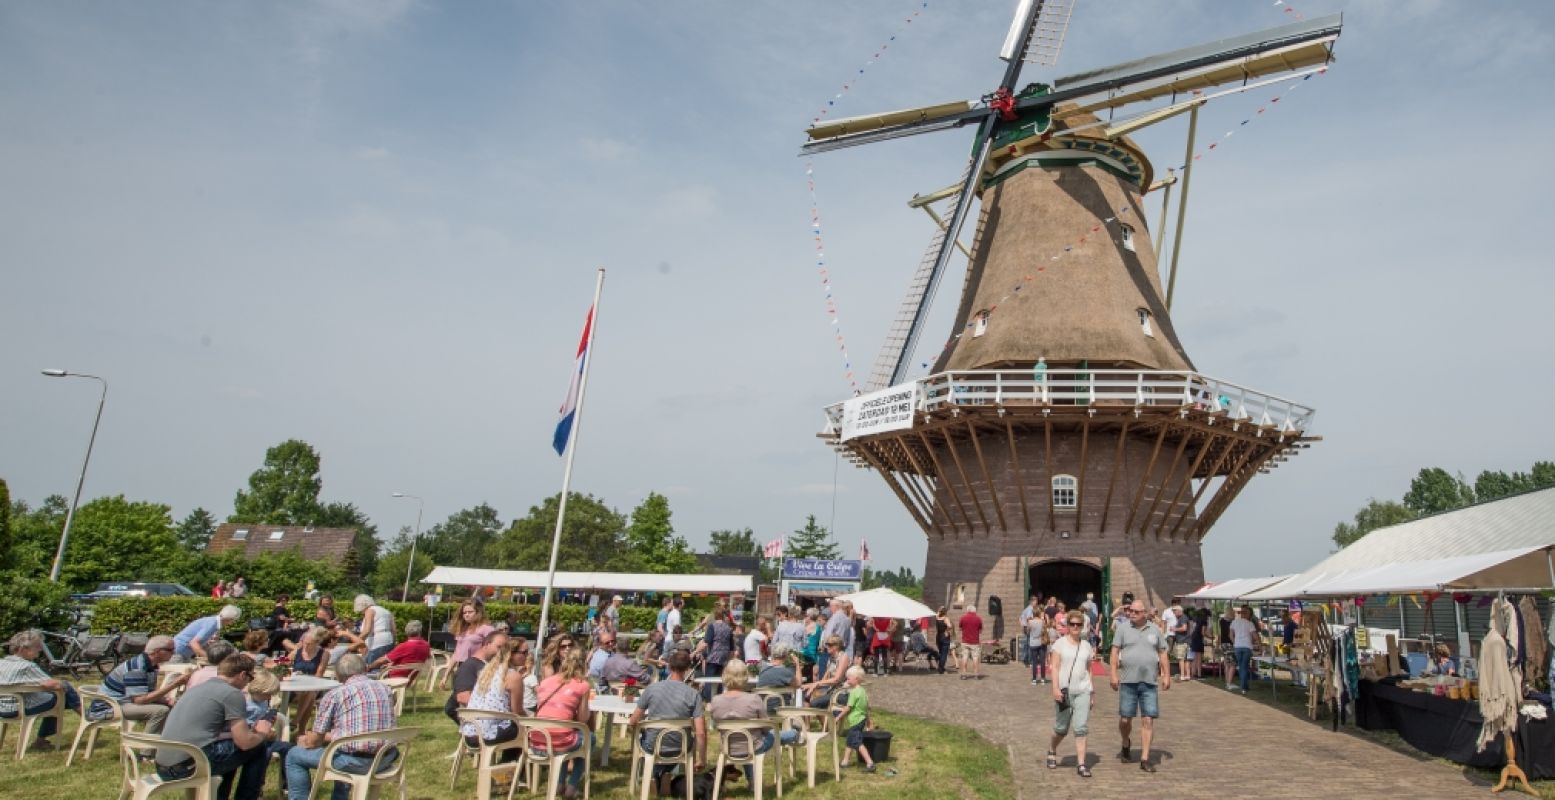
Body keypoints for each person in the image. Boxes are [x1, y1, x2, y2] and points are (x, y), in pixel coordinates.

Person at [284, 654, 400, 800]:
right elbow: (362, 730)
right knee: (340, 749)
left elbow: (315, 742)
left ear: (338, 675)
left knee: (294, 755)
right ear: (364, 669)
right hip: (387, 757)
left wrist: (304, 740)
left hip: (357, 762)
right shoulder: (385, 689)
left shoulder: (335, 695)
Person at [157, 654, 271, 800]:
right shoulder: (232, 694)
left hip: (164, 766)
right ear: (243, 674)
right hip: (188, 767)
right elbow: (244, 743)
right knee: (259, 747)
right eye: (251, 677)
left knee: (229, 751)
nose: (249, 683)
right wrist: (262, 733)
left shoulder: (196, 689)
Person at [627, 649, 706, 797]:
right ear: (687, 668)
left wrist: (640, 727)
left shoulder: (652, 689)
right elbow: (701, 732)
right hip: (680, 746)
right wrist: (702, 758)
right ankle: (665, 774)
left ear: (669, 666)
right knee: (684, 741)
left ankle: (656, 774)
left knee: (649, 737)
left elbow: (633, 721)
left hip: (652, 745)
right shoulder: (693, 694)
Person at [709, 661, 799, 783]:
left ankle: (753, 783)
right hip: (754, 746)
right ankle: (794, 734)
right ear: (745, 676)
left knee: (751, 737)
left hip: (728, 747)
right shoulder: (753, 699)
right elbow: (766, 728)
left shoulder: (715, 701)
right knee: (771, 735)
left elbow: (715, 725)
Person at [1110, 599, 1170, 773]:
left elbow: (1163, 652)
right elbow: (1114, 652)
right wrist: (1113, 674)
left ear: (1144, 613)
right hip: (1128, 681)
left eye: (1136, 612)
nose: (1132, 614)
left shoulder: (1155, 630)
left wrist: (1166, 675)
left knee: (1148, 719)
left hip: (1149, 681)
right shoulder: (1123, 629)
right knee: (1125, 719)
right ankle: (1125, 741)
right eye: (1130, 611)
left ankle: (1144, 758)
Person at [0, 631, 82, 752]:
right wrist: (62, 685)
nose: (40, 651)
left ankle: (42, 740)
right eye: (37, 647)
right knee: (64, 690)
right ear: (24, 648)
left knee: (59, 699)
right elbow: (51, 684)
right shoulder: (27, 666)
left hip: (2, 709)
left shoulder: (2, 663)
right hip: (21, 708)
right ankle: (86, 716)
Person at [529, 646, 593, 798]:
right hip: (559, 742)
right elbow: (583, 719)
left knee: (565, 736)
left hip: (536, 742)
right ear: (584, 664)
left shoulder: (546, 682)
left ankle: (559, 784)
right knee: (589, 739)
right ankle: (571, 786)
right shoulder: (582, 685)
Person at [459, 637, 529, 776]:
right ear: (512, 654)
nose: (527, 656)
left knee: (514, 727)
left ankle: (505, 771)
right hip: (489, 734)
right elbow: (517, 712)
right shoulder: (513, 676)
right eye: (524, 652)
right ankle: (508, 773)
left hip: (470, 731)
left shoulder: (486, 671)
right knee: (523, 730)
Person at [96, 633, 185, 733]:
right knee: (160, 711)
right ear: (157, 652)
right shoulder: (137, 667)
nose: (174, 652)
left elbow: (147, 694)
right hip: (108, 707)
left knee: (171, 706)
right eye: (170, 650)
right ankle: (147, 746)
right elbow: (140, 700)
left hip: (123, 702)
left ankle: (163, 743)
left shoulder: (150, 665)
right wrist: (174, 684)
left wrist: (167, 700)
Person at [1047, 610, 1097, 778]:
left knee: (1081, 727)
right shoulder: (1059, 644)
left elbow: (1089, 670)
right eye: (1072, 624)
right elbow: (1055, 668)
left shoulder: (1086, 646)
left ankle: (1081, 764)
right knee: (1061, 728)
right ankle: (1052, 749)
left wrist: (1091, 691)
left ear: (1083, 626)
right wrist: (1055, 688)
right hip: (1064, 692)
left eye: (1079, 624)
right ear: (1067, 626)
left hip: (1082, 690)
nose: (1075, 627)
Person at [447, 629, 509, 722]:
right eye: (499, 647)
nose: (502, 652)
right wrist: (493, 711)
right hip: (479, 722)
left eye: (505, 649)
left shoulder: (488, 665)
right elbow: (462, 697)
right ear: (487, 644)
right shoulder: (470, 666)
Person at [833, 666, 876, 772]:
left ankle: (870, 763)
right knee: (850, 741)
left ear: (856, 679)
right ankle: (845, 762)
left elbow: (848, 708)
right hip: (861, 720)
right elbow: (865, 707)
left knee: (857, 742)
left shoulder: (853, 692)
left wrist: (838, 717)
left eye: (848, 678)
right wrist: (868, 721)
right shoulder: (862, 691)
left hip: (856, 721)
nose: (847, 680)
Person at [448, 601, 495, 690]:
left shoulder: (486, 629)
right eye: (464, 612)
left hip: (477, 667)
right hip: (462, 666)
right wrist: (446, 674)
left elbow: (494, 648)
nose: (466, 615)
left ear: (478, 612)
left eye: (470, 612)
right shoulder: (463, 630)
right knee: (458, 694)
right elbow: (456, 653)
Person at [173, 604, 243, 662]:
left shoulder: (213, 622)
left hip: (182, 653)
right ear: (230, 619)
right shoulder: (212, 624)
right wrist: (211, 658)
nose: (233, 622)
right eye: (234, 620)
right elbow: (193, 643)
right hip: (178, 653)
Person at [801, 636, 848, 708]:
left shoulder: (843, 657)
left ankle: (829, 719)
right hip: (832, 690)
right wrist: (809, 685)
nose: (827, 647)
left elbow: (836, 679)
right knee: (806, 697)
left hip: (842, 692)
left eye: (829, 644)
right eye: (826, 644)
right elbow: (824, 680)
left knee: (815, 703)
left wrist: (816, 684)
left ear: (837, 646)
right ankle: (809, 719)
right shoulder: (831, 659)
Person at [352, 595, 396, 665]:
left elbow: (367, 630)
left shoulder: (369, 611)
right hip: (389, 640)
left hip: (377, 642)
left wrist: (356, 642)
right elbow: (393, 630)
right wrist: (393, 643)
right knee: (383, 666)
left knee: (372, 666)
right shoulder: (386, 611)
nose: (361, 612)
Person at [1229, 606, 1259, 693]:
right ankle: (1244, 687)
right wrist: (1259, 645)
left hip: (1237, 647)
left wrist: (1235, 642)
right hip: (1247, 647)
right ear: (1248, 614)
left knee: (1241, 667)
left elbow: (1230, 635)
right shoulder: (1250, 624)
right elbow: (1255, 636)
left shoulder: (1234, 622)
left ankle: (1244, 686)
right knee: (1244, 667)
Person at [818, 599, 850, 679]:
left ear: (836, 606)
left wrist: (824, 645)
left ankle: (824, 688)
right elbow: (847, 636)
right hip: (841, 647)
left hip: (830, 646)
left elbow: (828, 634)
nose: (830, 608)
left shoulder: (834, 618)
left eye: (830, 606)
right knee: (837, 671)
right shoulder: (846, 618)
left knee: (825, 671)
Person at [957, 606, 983, 680]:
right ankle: (976, 675)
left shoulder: (963, 618)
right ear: (974, 611)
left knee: (964, 657)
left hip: (965, 641)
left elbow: (960, 628)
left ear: (967, 610)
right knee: (975, 658)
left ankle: (964, 674)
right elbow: (980, 631)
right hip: (975, 642)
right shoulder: (978, 618)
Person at [1029, 604, 1050, 685]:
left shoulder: (1030, 622)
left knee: (1034, 662)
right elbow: (1046, 628)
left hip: (1033, 643)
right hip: (1041, 642)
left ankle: (1034, 679)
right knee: (1042, 662)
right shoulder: (1042, 621)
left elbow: (1028, 631)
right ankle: (1043, 679)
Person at [1019, 596, 1040, 670]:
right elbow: (1028, 618)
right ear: (1032, 601)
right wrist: (1030, 626)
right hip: (1029, 628)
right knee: (1030, 644)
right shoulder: (1030, 609)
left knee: (1026, 644)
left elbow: (1020, 618)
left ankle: (1025, 659)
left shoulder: (1026, 609)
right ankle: (1029, 661)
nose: (1036, 603)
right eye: (1036, 601)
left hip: (1025, 627)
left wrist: (1022, 626)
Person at [1171, 605, 1191, 680]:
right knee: (1186, 659)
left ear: (1179, 611)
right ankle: (1187, 675)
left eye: (1175, 611)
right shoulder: (1183, 617)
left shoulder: (1183, 618)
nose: (1174, 613)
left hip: (1182, 641)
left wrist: (1175, 629)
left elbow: (1184, 628)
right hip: (1185, 641)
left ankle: (1182, 675)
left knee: (1181, 659)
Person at [934, 607, 953, 675]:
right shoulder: (945, 618)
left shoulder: (937, 617)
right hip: (944, 637)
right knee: (944, 654)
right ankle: (941, 668)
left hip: (938, 636)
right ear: (945, 612)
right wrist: (947, 631)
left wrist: (940, 609)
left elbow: (938, 613)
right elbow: (950, 626)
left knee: (941, 652)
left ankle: (941, 667)